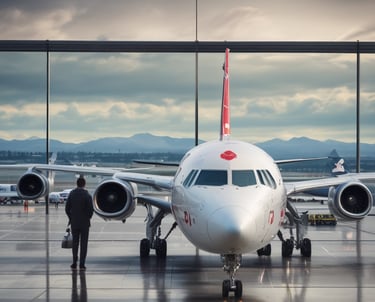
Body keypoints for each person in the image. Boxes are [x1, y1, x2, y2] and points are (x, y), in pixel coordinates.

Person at [65, 177, 94, 271]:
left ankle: (74, 262)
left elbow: (67, 208)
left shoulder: (72, 194)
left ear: (77, 184)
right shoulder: (87, 195)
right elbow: (91, 210)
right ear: (84, 184)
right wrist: (87, 218)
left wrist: (71, 217)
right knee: (84, 244)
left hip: (74, 222)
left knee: (75, 243)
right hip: (85, 223)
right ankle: (82, 263)